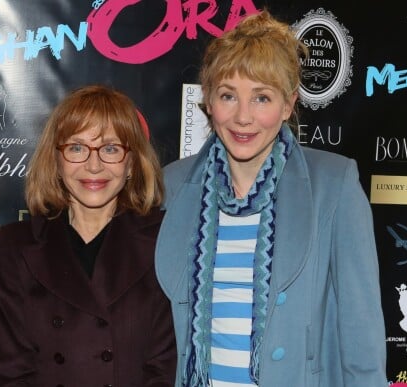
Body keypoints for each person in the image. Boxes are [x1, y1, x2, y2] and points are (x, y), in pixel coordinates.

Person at [155, 10, 387, 387]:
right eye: (228, 95)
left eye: (261, 97)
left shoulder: (335, 184)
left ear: (288, 104)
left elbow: (361, 337)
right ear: (209, 103)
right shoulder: (172, 186)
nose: (243, 117)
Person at [0, 85, 176, 386]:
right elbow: (8, 373)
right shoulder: (16, 246)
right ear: (56, 162)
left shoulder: (165, 240)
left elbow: (165, 369)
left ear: (131, 164)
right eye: (76, 148)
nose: (93, 165)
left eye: (111, 148)